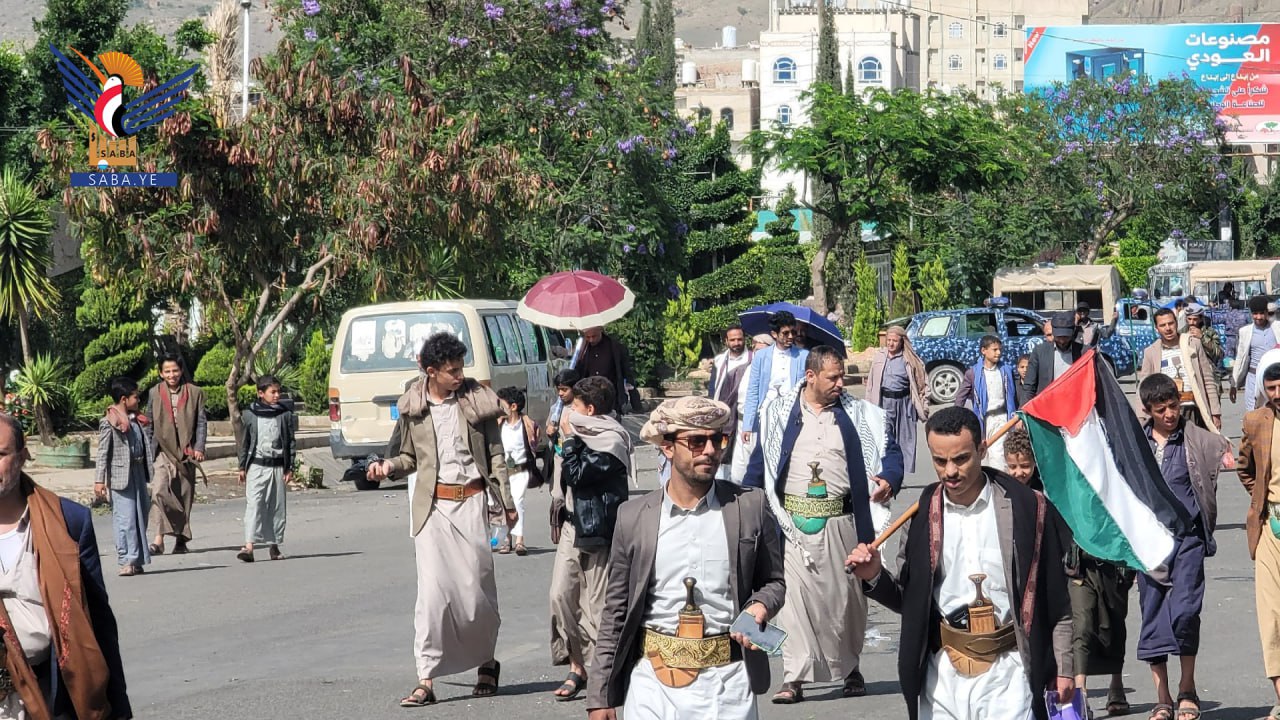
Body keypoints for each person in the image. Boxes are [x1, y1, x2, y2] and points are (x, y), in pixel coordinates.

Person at [846, 407, 1076, 720]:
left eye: (961, 459)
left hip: (1008, 677)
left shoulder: (1026, 508)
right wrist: (874, 575)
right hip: (942, 679)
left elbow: (1057, 600)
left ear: (982, 450)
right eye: (940, 461)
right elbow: (910, 601)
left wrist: (1064, 668)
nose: (950, 471)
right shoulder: (921, 516)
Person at [585, 396, 786, 720]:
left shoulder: (749, 506)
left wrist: (760, 605)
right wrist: (600, 695)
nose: (709, 451)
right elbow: (616, 611)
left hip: (729, 685)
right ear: (667, 447)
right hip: (653, 686)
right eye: (695, 441)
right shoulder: (634, 517)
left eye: (717, 440)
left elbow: (774, 582)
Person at [742, 346, 903, 704]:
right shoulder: (779, 415)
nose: (841, 383)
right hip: (791, 527)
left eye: (842, 376)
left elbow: (891, 452)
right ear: (811, 376)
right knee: (794, 603)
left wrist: (890, 477)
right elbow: (762, 466)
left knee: (845, 601)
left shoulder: (859, 414)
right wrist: (745, 506)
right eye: (833, 377)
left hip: (843, 523)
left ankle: (849, 669)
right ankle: (794, 677)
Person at [366, 332, 513, 707]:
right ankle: (426, 679)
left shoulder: (478, 402)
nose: (459, 375)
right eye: (451, 370)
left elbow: (496, 456)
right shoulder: (413, 406)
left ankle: (486, 662)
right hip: (432, 510)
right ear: (431, 372)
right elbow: (408, 458)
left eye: (461, 367)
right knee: (431, 598)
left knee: (476, 596)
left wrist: (507, 503)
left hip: (473, 505)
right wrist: (387, 467)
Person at [0, 413, 132, 719]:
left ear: (22, 457)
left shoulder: (68, 522)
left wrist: (119, 709)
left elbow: (97, 622)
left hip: (48, 693)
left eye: (1, 454)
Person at [1004, 427, 1133, 716]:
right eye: (1012, 466)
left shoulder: (1050, 487)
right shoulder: (1005, 494)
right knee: (1069, 631)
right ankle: (1066, 694)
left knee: (1099, 622)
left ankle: (1094, 688)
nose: (1019, 472)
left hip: (1064, 566)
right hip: (1022, 578)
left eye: (1025, 466)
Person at [1136, 374, 1229, 720]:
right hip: (1148, 544)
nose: (1170, 415)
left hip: (1188, 539)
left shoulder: (1196, 440)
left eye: (1174, 406)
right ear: (1148, 410)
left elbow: (1227, 455)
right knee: (1154, 616)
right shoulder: (1137, 444)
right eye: (1161, 410)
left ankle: (1187, 688)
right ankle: (1163, 697)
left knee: (1186, 612)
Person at [548, 376, 632, 701]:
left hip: (598, 532)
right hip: (571, 526)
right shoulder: (576, 433)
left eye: (576, 407)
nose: (570, 412)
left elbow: (578, 474)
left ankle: (598, 674)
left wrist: (569, 443)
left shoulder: (611, 441)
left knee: (595, 607)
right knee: (560, 597)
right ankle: (576, 661)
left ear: (591, 410)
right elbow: (559, 477)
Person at [1237, 362, 1280, 720]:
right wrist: (1260, 500)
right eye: (1271, 389)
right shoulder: (1255, 421)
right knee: (1271, 615)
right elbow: (1244, 467)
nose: (1277, 394)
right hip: (1271, 527)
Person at [145, 352, 207, 556]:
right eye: (167, 371)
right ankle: (159, 539)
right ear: (161, 373)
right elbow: (150, 423)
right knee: (159, 491)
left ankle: (181, 539)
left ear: (181, 371)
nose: (172, 375)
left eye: (175, 370)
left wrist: (199, 447)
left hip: (187, 453)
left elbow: (201, 422)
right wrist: (147, 450)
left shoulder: (195, 392)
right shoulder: (154, 393)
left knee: (184, 495)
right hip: (162, 451)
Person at [95, 376, 154, 577]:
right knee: (126, 519)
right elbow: (102, 453)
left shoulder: (135, 420)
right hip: (121, 475)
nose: (138, 401)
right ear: (123, 399)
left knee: (141, 515)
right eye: (135, 397)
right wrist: (99, 481)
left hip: (137, 472)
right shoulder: (109, 422)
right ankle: (126, 560)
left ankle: (137, 559)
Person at [235, 375, 296, 563]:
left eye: (278, 391)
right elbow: (244, 443)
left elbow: (290, 442)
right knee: (254, 504)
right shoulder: (250, 414)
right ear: (261, 393)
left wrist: (290, 467)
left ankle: (274, 546)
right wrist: (242, 466)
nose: (277, 395)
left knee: (276, 507)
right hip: (257, 466)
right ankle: (249, 546)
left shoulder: (284, 415)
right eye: (273, 392)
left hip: (277, 467)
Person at [740, 311, 809, 475]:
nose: (791, 336)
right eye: (786, 333)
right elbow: (753, 391)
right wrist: (748, 425)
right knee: (760, 459)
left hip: (791, 415)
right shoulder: (761, 356)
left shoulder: (804, 356)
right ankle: (756, 493)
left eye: (793, 332)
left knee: (788, 460)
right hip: (765, 414)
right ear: (774, 334)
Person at [1138, 308, 1222, 432]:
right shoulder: (1151, 352)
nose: (1168, 328)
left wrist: (1215, 413)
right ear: (1157, 328)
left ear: (1176, 323)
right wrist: (1142, 417)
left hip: (1193, 409)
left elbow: (1207, 379)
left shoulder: (1193, 344)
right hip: (1167, 413)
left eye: (1170, 323)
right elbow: (1143, 386)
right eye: (1162, 325)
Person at [866, 326, 930, 474]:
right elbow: (871, 383)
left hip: (904, 404)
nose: (891, 343)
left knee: (905, 440)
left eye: (894, 340)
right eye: (888, 340)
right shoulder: (879, 356)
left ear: (902, 341)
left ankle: (900, 471)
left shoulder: (910, 360)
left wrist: (924, 405)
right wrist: (868, 405)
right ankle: (886, 470)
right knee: (885, 438)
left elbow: (922, 385)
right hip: (884, 403)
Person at [954, 335, 1018, 471]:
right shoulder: (973, 373)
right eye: (994, 350)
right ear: (983, 351)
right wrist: (956, 418)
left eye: (1000, 350)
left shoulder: (1005, 370)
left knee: (998, 456)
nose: (998, 353)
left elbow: (1014, 395)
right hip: (983, 421)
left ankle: (999, 486)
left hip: (1002, 420)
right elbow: (961, 398)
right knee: (983, 456)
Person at [496, 386, 541, 556]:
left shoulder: (526, 424)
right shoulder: (499, 424)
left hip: (521, 470)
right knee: (503, 504)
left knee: (517, 501)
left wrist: (529, 423)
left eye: (502, 404)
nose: (499, 408)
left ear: (513, 406)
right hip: (502, 472)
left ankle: (519, 540)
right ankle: (505, 539)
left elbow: (536, 439)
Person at [709, 324, 753, 480]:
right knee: (721, 452)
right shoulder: (720, 361)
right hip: (722, 417)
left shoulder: (753, 360)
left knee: (741, 458)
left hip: (742, 418)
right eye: (732, 340)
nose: (736, 343)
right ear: (726, 341)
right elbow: (713, 390)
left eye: (739, 339)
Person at [729, 334, 773, 485]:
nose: (757, 352)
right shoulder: (744, 369)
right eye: (755, 348)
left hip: (759, 425)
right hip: (741, 424)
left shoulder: (772, 372)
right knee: (736, 473)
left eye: (762, 349)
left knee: (754, 470)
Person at [1020, 313, 1084, 405]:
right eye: (1059, 337)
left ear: (1073, 332)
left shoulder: (1084, 352)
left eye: (1066, 337)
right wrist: (1023, 411)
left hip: (1074, 407)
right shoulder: (1039, 352)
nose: (1062, 341)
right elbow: (1029, 387)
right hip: (1047, 408)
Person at [1233, 296, 1280, 412]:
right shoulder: (1245, 332)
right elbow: (1240, 358)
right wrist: (1234, 384)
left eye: (1261, 313)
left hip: (1274, 378)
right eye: (1255, 314)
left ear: (1266, 312)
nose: (1258, 317)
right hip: (1253, 378)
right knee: (1254, 414)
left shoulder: (1277, 327)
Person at [578, 326, 635, 415]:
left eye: (594, 336)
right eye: (588, 337)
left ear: (601, 330)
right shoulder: (582, 350)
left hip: (611, 398)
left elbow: (627, 373)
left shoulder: (615, 347)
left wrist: (635, 402)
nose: (591, 340)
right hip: (590, 398)